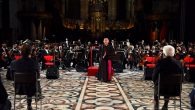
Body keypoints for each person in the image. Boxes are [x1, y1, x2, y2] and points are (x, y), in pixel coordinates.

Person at [10, 44, 41, 110]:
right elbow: (37, 76)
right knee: (34, 82)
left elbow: (12, 77)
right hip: (32, 89)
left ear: (21, 52)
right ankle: (31, 103)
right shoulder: (34, 63)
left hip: (19, 88)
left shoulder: (13, 63)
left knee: (28, 83)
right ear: (30, 52)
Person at [152, 45, 183, 110]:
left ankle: (156, 105)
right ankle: (166, 104)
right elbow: (182, 78)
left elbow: (154, 77)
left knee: (157, 86)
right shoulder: (179, 63)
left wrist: (155, 82)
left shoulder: (160, 62)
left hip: (161, 89)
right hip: (176, 90)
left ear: (164, 53)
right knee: (169, 85)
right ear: (174, 53)